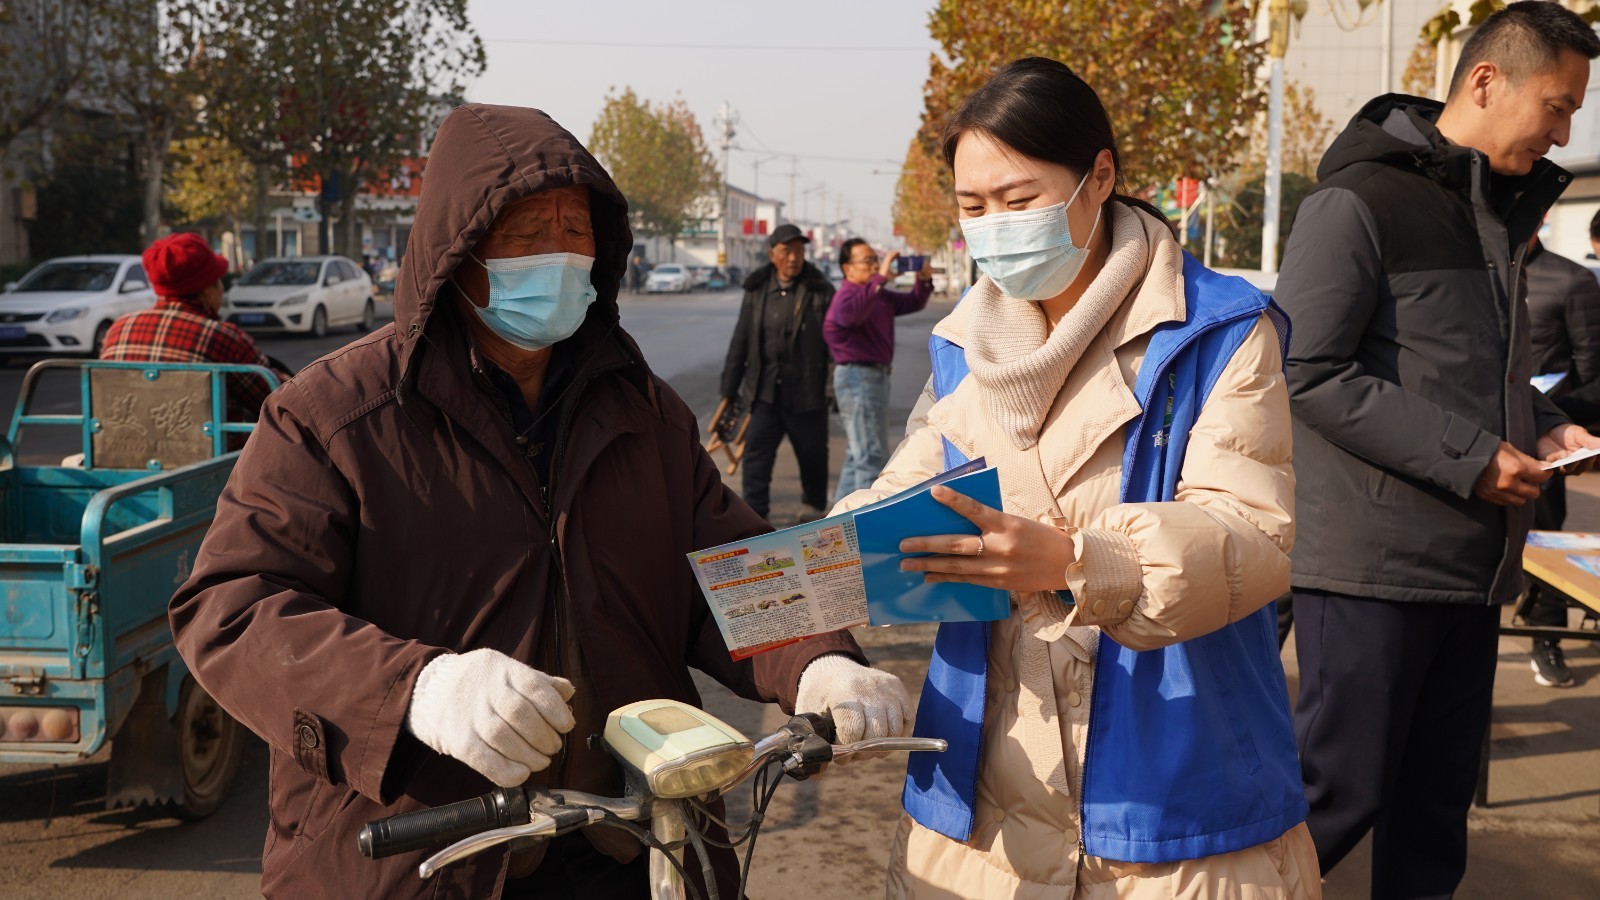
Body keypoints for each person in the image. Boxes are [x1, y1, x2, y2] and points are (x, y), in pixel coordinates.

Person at [167, 104, 910, 899]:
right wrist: (418, 690)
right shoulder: (335, 416)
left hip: (634, 838)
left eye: (575, 230)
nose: (557, 254)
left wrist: (818, 660)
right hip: (423, 857)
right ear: (459, 250)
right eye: (524, 233)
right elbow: (233, 609)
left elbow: (725, 568)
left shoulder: (642, 410)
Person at [837, 57, 1316, 898]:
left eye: (1018, 201)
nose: (994, 228)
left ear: (1100, 177)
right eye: (972, 208)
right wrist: (839, 553)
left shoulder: (1218, 331)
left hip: (1172, 800)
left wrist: (1078, 564)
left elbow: (1255, 534)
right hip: (989, 792)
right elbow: (912, 482)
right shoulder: (963, 346)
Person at [1273, 3, 1600, 894]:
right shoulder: (1359, 199)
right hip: (1371, 572)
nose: (1566, 129)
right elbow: (1305, 369)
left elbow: (1458, 372)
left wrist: (1539, 432)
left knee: (1432, 815)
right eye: (1558, 104)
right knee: (1332, 801)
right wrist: (1473, 458)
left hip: (1472, 565)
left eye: (1577, 111)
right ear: (1486, 81)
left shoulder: (1500, 211)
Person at [100, 232, 290, 423]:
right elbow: (282, 405)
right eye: (219, 282)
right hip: (220, 451)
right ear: (208, 292)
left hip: (123, 448)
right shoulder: (221, 336)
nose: (222, 290)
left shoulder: (118, 329)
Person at [721, 223, 836, 524]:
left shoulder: (819, 290)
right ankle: (754, 520)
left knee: (813, 459)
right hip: (763, 393)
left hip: (807, 394)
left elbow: (835, 345)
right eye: (787, 251)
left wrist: (831, 389)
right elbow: (740, 341)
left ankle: (813, 513)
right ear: (773, 254)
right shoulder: (757, 290)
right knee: (755, 460)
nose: (794, 257)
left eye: (799, 250)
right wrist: (728, 391)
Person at [1524, 236, 1600, 687]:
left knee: (1545, 538)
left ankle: (1546, 637)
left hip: (1544, 433)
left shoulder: (1569, 279)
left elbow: (1593, 371)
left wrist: (1560, 425)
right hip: (1463, 434)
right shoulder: (1462, 268)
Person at [824, 238, 932, 506]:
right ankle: (862, 523)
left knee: (857, 454)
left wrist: (923, 281)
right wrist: (881, 277)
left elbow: (912, 302)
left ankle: (836, 520)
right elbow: (851, 316)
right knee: (869, 455)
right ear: (847, 269)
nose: (874, 265)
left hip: (872, 377)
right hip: (857, 377)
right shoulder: (848, 294)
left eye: (876, 259)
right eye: (868, 261)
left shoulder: (875, 293)